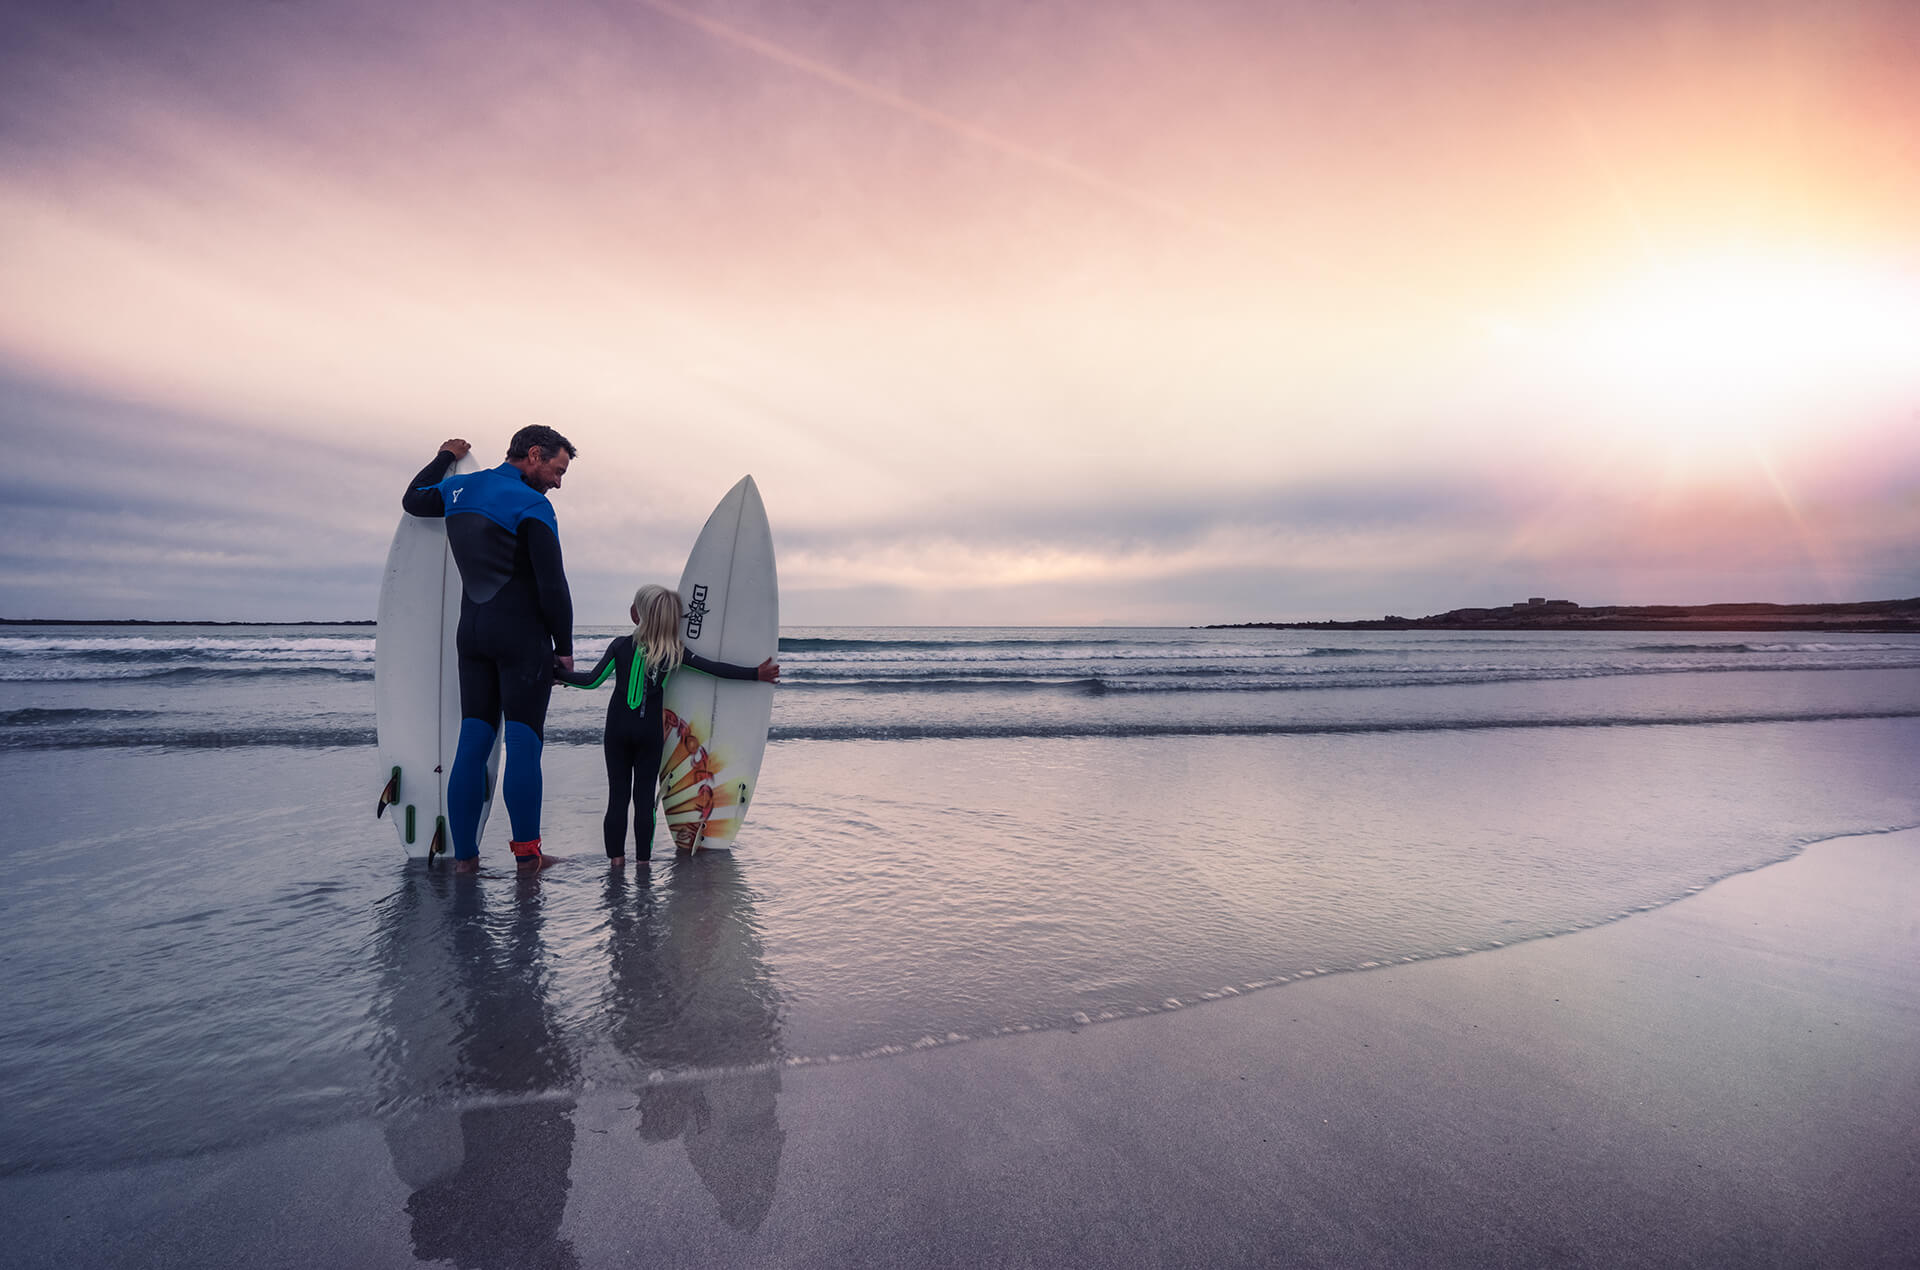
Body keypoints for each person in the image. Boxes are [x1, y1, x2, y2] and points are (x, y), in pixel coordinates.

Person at [400, 425, 577, 872]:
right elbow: (552, 585)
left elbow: (414, 499)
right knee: (522, 743)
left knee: (473, 742)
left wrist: (444, 455)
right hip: (521, 638)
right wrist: (564, 648)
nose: (558, 482)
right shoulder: (532, 505)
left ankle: (465, 859)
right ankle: (528, 856)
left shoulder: (457, 489)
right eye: (556, 470)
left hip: (472, 635)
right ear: (533, 455)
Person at [557, 584, 778, 863]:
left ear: (639, 615)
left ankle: (616, 864)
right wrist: (756, 674)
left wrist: (558, 674)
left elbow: (591, 682)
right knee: (644, 801)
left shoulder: (620, 646)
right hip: (649, 733)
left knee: (618, 798)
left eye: (635, 604)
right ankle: (643, 864)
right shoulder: (674, 652)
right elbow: (715, 669)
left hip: (618, 731)